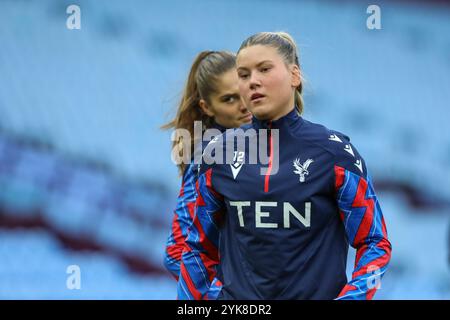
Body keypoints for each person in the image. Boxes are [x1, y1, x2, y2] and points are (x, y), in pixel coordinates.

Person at [177, 32, 392, 300]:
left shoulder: (335, 153)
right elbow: (198, 250)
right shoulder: (217, 154)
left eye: (264, 69)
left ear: (294, 76)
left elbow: (374, 243)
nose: (253, 81)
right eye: (243, 75)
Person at [162, 51, 252, 299]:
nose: (244, 104)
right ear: (207, 107)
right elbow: (176, 252)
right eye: (229, 99)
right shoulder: (208, 159)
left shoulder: (264, 142)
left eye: (245, 90)